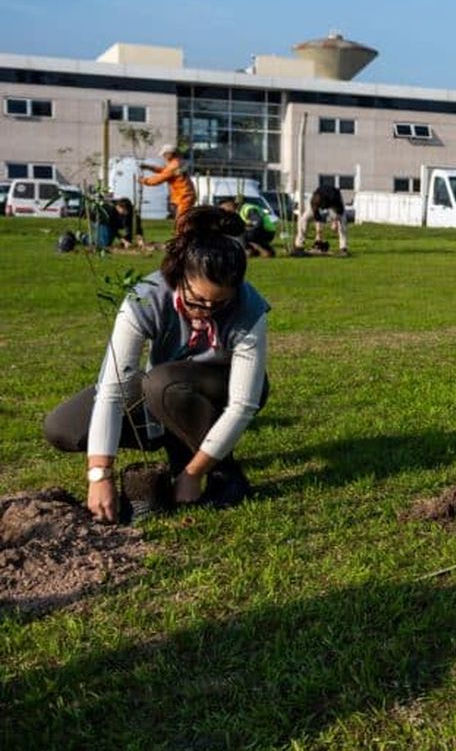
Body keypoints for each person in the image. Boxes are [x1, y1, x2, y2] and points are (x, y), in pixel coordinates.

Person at [43, 206, 271, 523]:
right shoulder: (145, 298)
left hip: (218, 388)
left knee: (162, 383)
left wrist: (194, 473)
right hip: (160, 387)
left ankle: (223, 473)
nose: (206, 312)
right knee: (63, 426)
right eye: (196, 302)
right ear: (179, 277)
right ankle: (173, 440)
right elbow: (111, 390)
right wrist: (100, 474)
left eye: (220, 304)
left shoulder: (249, 307)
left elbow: (243, 404)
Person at [140, 145, 197, 231]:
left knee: (181, 221)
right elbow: (165, 171)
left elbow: (159, 179)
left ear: (170, 154)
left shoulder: (173, 166)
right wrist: (150, 167)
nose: (163, 157)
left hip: (184, 195)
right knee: (184, 220)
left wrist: (144, 181)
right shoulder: (176, 163)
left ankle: (181, 240)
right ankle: (184, 238)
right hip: (185, 195)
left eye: (164, 154)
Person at [292, 183, 349, 257]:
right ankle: (299, 245)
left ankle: (343, 248)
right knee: (304, 219)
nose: (321, 208)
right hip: (321, 197)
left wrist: (335, 222)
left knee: (342, 222)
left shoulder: (335, 197)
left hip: (334, 203)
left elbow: (340, 210)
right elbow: (317, 217)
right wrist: (319, 234)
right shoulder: (314, 201)